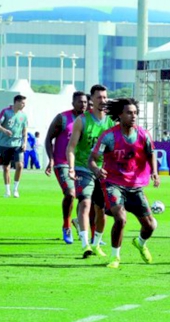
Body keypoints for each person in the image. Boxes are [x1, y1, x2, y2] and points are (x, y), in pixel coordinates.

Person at [89, 98, 159, 269]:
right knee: (120, 219)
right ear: (120, 115)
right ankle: (115, 257)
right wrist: (96, 170)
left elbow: (151, 153)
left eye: (135, 113)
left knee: (150, 226)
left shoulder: (143, 134)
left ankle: (140, 243)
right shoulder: (109, 136)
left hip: (135, 186)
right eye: (129, 113)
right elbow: (92, 159)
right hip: (113, 183)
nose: (133, 116)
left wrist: (154, 172)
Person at [67, 84, 115, 258]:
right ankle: (85, 244)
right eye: (99, 97)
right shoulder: (82, 120)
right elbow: (71, 147)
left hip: (104, 171)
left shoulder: (111, 122)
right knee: (85, 203)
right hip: (83, 167)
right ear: (91, 100)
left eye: (105, 97)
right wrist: (71, 168)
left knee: (101, 210)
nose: (102, 100)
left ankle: (96, 243)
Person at [45, 91, 88, 244]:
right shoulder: (62, 118)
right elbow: (49, 138)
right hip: (62, 162)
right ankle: (66, 226)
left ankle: (83, 226)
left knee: (87, 198)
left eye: (85, 102)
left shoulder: (90, 120)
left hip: (82, 164)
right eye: (79, 102)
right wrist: (50, 159)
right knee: (70, 193)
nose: (83, 104)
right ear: (72, 103)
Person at [0, 95, 28, 198]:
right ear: (16, 102)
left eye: (25, 103)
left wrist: (24, 142)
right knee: (6, 167)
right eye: (22, 103)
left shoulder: (23, 115)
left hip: (17, 144)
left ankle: (15, 189)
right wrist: (5, 130)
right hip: (4, 144)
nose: (24, 105)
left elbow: (25, 129)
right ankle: (7, 191)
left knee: (20, 166)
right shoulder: (5, 112)